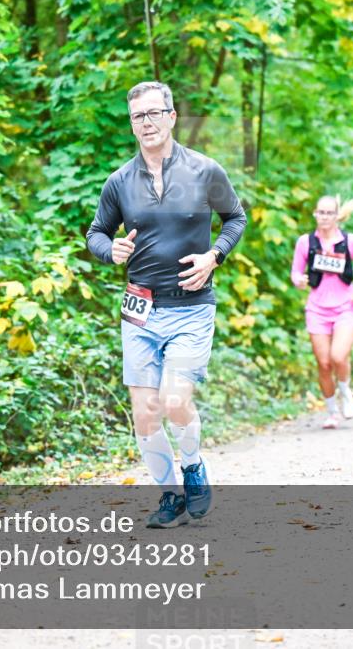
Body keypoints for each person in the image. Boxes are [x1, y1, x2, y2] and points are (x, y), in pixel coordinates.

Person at [85, 81, 247, 527]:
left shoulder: (204, 171)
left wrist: (215, 256)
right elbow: (96, 232)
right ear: (132, 124)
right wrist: (108, 250)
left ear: (173, 116)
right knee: (144, 413)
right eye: (139, 116)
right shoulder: (119, 181)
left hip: (191, 308)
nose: (147, 122)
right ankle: (169, 495)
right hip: (139, 311)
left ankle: (193, 466)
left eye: (155, 113)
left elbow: (236, 217)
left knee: (175, 401)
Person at [291, 195, 353, 428]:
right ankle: (331, 412)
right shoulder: (306, 242)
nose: (325, 217)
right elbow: (296, 271)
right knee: (324, 363)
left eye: (329, 213)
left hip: (346, 306)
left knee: (338, 356)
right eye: (321, 212)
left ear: (337, 216)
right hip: (316, 309)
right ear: (315, 214)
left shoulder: (351, 241)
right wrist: (299, 280)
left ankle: (346, 392)